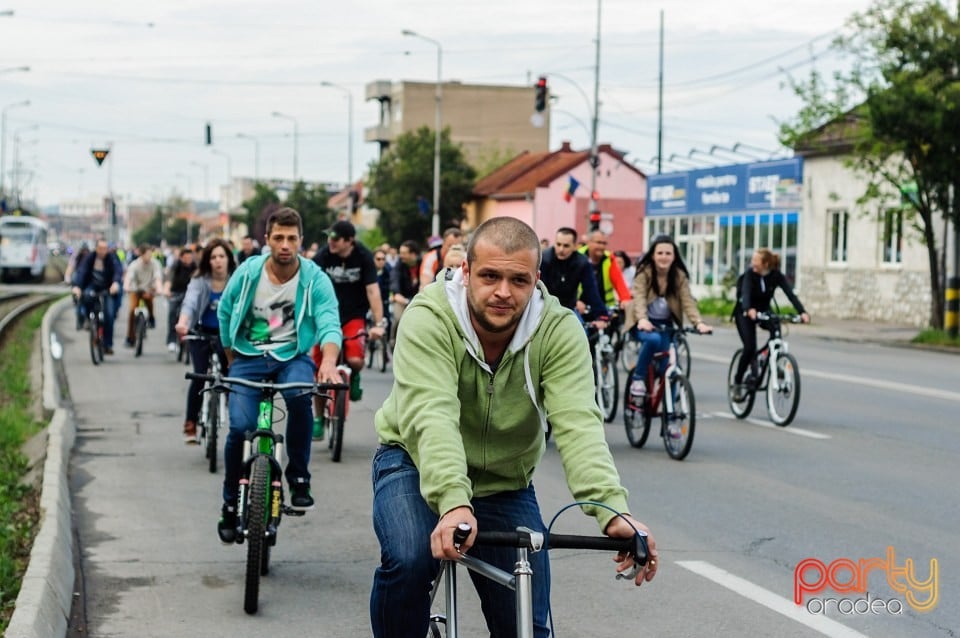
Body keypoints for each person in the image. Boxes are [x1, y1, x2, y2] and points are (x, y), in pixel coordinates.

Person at [370, 217, 659, 638]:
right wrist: (453, 501)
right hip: (413, 461)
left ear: (536, 279)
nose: (504, 292)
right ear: (466, 272)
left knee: (527, 626)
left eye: (518, 280)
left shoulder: (557, 330)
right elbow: (431, 415)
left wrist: (612, 511)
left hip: (505, 481)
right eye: (489, 276)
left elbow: (579, 423)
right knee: (411, 559)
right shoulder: (429, 316)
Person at [215, 207, 342, 543]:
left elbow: (330, 322)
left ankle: (299, 478)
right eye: (278, 238)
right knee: (240, 428)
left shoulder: (315, 278)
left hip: (292, 356)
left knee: (301, 396)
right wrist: (231, 356)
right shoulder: (247, 273)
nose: (285, 244)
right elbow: (225, 311)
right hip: (248, 355)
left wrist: (328, 362)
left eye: (292, 238)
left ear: (301, 241)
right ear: (267, 240)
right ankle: (230, 504)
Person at [311, 220, 386, 435]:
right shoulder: (323, 256)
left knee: (354, 359)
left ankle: (354, 376)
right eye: (329, 237)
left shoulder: (363, 257)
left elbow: (373, 291)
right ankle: (318, 418)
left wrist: (379, 324)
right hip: (326, 317)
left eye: (335, 238)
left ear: (349, 241)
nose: (330, 242)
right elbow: (309, 285)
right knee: (320, 372)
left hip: (354, 316)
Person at [625, 234, 711, 403]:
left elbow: (687, 301)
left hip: (666, 325)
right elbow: (640, 298)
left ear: (674, 256)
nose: (664, 257)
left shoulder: (679, 276)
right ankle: (638, 378)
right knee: (652, 340)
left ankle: (670, 419)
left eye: (668, 253)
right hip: (641, 322)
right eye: (660, 253)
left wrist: (699, 323)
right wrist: (642, 319)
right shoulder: (644, 273)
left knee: (670, 369)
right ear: (653, 255)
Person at [175, 239, 236, 443]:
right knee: (199, 376)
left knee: (232, 376)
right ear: (208, 261)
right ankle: (191, 423)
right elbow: (190, 303)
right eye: (213, 257)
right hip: (201, 333)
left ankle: (238, 421)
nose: (218, 261)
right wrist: (184, 322)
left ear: (228, 259)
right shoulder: (200, 280)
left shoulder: (237, 280)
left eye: (222, 256)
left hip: (227, 337)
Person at [732, 248, 810, 394]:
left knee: (776, 328)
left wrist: (802, 312)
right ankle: (737, 381)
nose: (752, 263)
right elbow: (746, 292)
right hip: (745, 313)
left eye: (755, 261)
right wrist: (749, 309)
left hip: (764, 310)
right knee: (749, 348)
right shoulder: (750, 275)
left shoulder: (776, 276)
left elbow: (790, 295)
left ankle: (775, 361)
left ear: (765, 264)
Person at [539, 227, 607, 321]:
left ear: (575, 246)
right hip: (544, 308)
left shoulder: (582, 263)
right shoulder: (544, 259)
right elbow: (537, 288)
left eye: (566, 246)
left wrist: (601, 315)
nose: (561, 249)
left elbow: (591, 290)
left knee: (581, 332)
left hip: (569, 309)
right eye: (558, 244)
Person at [71, 238, 123, 354]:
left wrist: (115, 283)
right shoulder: (90, 258)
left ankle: (107, 344)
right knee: (86, 298)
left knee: (109, 315)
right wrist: (77, 287)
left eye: (105, 249)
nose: (103, 251)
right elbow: (82, 271)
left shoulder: (111, 258)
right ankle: (90, 320)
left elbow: (117, 271)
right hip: (92, 286)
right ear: (96, 248)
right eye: (100, 248)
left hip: (107, 288)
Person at [579, 230, 632, 311]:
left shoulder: (609, 258)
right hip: (581, 307)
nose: (601, 246)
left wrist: (625, 299)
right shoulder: (578, 256)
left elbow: (618, 281)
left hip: (604, 307)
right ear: (589, 242)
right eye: (598, 242)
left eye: (604, 243)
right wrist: (575, 302)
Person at [123, 244, 164, 347]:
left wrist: (159, 289)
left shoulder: (155, 263)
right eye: (147, 254)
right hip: (135, 289)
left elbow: (157, 277)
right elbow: (129, 277)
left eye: (150, 254)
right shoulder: (135, 265)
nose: (149, 257)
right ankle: (130, 337)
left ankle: (151, 317)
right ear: (141, 255)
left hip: (148, 289)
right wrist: (126, 286)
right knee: (132, 311)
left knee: (149, 301)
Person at [388, 239, 421, 350]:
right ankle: (393, 340)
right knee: (398, 318)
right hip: (402, 297)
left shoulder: (423, 263)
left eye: (403, 253)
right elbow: (394, 277)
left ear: (413, 254)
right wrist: (396, 293)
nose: (400, 256)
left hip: (419, 298)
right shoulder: (399, 265)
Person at [164, 246, 196, 352]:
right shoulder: (176, 265)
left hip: (190, 294)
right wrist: (167, 289)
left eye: (190, 258)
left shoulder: (195, 266)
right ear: (181, 258)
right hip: (176, 292)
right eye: (186, 258)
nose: (188, 260)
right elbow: (169, 278)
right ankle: (171, 341)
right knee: (172, 314)